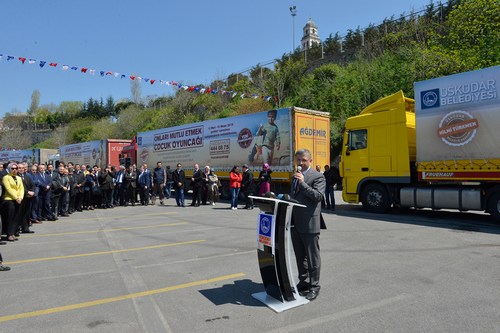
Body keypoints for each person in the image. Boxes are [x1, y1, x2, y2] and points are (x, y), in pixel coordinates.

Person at [291, 148, 326, 301]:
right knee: (300, 256)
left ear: (310, 161)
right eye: (298, 160)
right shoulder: (294, 177)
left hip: (310, 222)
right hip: (295, 222)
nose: (300, 163)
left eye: (304, 160)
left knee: (313, 257)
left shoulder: (317, 177)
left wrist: (302, 183)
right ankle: (304, 282)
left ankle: (314, 286)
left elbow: (318, 196)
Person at [2, 163, 24, 241]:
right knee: (10, 217)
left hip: (18, 199)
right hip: (9, 199)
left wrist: (20, 197)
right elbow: (9, 189)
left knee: (16, 217)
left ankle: (13, 232)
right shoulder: (6, 177)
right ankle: (9, 234)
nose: (15, 170)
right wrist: (16, 197)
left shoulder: (19, 178)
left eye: (16, 168)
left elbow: (21, 188)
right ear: (9, 169)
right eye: (13, 168)